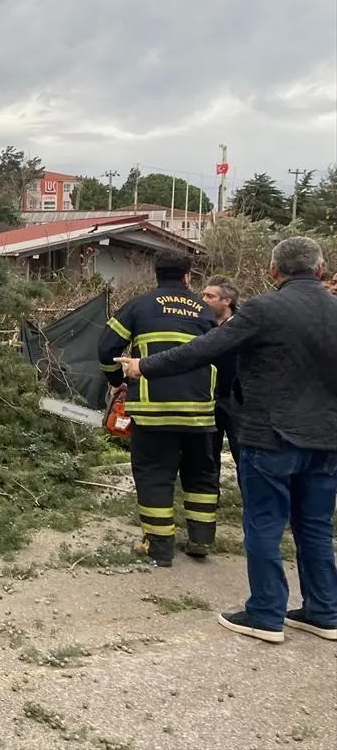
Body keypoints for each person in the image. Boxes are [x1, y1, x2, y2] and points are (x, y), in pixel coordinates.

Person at [116, 237, 337, 644]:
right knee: (316, 527)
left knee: (265, 524)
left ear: (274, 271)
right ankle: (324, 612)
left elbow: (203, 350)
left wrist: (143, 366)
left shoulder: (264, 309)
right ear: (320, 270)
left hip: (270, 436)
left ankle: (266, 614)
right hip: (326, 441)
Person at [97, 252, 220, 567]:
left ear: (157, 274)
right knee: (201, 474)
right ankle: (201, 539)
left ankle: (160, 547)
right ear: (187, 277)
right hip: (199, 411)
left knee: (154, 474)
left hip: (153, 411)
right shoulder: (205, 311)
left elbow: (106, 348)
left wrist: (116, 381)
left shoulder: (139, 306)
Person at [201, 276, 241, 478]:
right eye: (203, 295)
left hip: (235, 399)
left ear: (227, 301)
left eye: (210, 296)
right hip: (207, 398)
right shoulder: (200, 324)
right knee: (208, 456)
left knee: (241, 453)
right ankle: (210, 493)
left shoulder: (242, 325)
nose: (204, 300)